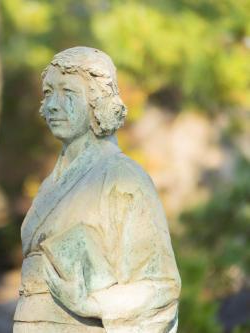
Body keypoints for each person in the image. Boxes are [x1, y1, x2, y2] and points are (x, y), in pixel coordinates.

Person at [14, 47, 181, 333]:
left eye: (68, 92)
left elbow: (161, 286)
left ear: (97, 102)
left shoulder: (123, 176)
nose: (52, 104)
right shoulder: (50, 184)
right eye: (48, 92)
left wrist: (92, 303)